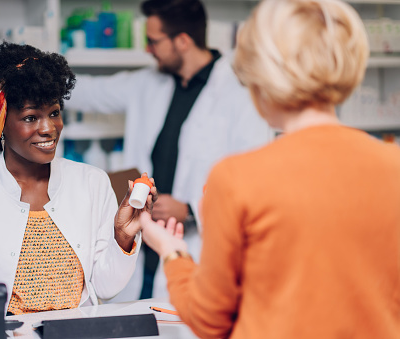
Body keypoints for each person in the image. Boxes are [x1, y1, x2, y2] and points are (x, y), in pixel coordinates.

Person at [139, 0, 400, 338]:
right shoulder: (392, 166)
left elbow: (208, 320)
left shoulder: (237, 178)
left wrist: (173, 253)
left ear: (261, 80)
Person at [0, 42, 157, 327]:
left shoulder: (91, 182)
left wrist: (122, 235)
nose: (48, 128)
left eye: (54, 113)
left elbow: (106, 288)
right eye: (30, 117)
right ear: (1, 127)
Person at [65, 0, 270, 300]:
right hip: (140, 243)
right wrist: (34, 76)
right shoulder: (148, 83)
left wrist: (189, 210)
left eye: (153, 41)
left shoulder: (239, 93)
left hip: (194, 247)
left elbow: (255, 181)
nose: (148, 49)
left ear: (183, 41)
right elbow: (91, 92)